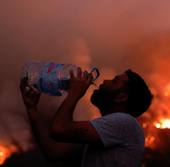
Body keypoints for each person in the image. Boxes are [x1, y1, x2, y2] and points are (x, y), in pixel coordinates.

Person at [20, 67, 153, 167]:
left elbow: (58, 129)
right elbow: (53, 152)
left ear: (121, 97)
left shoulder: (125, 122)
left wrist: (75, 93)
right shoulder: (103, 133)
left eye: (114, 80)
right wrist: (32, 109)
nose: (105, 81)